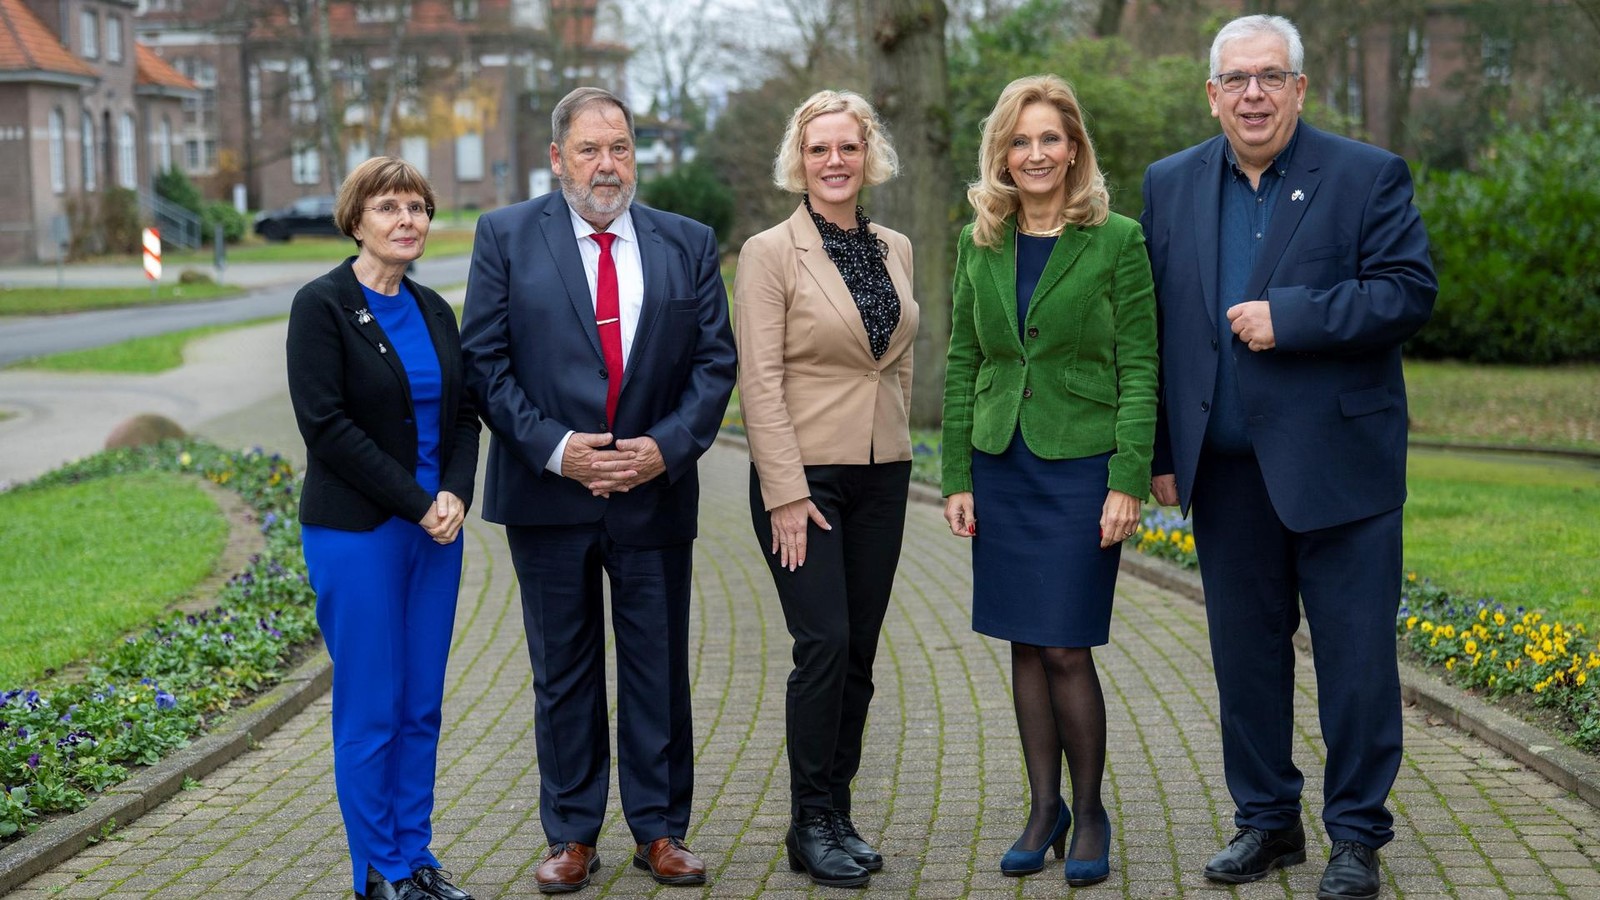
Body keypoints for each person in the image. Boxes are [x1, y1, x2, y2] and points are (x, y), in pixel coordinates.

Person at [1140, 15, 1437, 900]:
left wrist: (1293, 318)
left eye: (1271, 76)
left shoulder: (1364, 175)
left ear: (1300, 88)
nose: (1254, 94)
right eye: (1237, 79)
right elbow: (1157, 327)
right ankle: (1267, 824)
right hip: (1227, 477)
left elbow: (1408, 291)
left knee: (1354, 667)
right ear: (1212, 93)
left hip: (1341, 473)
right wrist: (1162, 450)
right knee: (1245, 663)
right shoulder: (1170, 184)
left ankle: (1355, 837)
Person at [460, 86, 736, 895]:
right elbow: (484, 362)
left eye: (619, 147)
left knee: (657, 666)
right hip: (548, 497)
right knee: (564, 669)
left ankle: (660, 830)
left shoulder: (686, 242)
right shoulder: (506, 236)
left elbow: (715, 365)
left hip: (652, 493)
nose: (606, 164)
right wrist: (556, 450)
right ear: (557, 159)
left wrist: (664, 450)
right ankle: (571, 834)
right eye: (589, 149)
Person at [940, 74, 1157, 888]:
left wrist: (1128, 477)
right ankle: (1043, 808)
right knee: (1024, 642)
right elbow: (964, 359)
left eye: (1050, 139)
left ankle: (1090, 808)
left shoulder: (1118, 240)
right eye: (1020, 140)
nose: (1035, 154)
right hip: (1002, 464)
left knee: (1067, 644)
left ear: (1074, 150)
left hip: (1081, 467)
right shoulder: (978, 240)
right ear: (1003, 152)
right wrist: (956, 474)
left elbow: (1141, 364)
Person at [733, 89, 919, 889]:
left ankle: (838, 812)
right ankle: (809, 821)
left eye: (848, 147)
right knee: (825, 645)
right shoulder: (770, 251)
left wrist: (901, 442)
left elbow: (899, 358)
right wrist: (782, 488)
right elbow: (759, 380)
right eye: (819, 150)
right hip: (802, 481)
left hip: (883, 476)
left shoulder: (895, 246)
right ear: (798, 161)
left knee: (862, 652)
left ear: (867, 154)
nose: (834, 161)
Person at [286, 156, 481, 900]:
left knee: (420, 702)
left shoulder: (435, 309)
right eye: (390, 207)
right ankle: (379, 870)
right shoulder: (323, 305)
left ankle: (417, 855)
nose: (408, 221)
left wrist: (457, 492)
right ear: (357, 219)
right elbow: (326, 426)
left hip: (437, 532)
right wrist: (418, 499)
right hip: (360, 532)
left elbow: (465, 412)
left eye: (419, 208)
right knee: (372, 702)